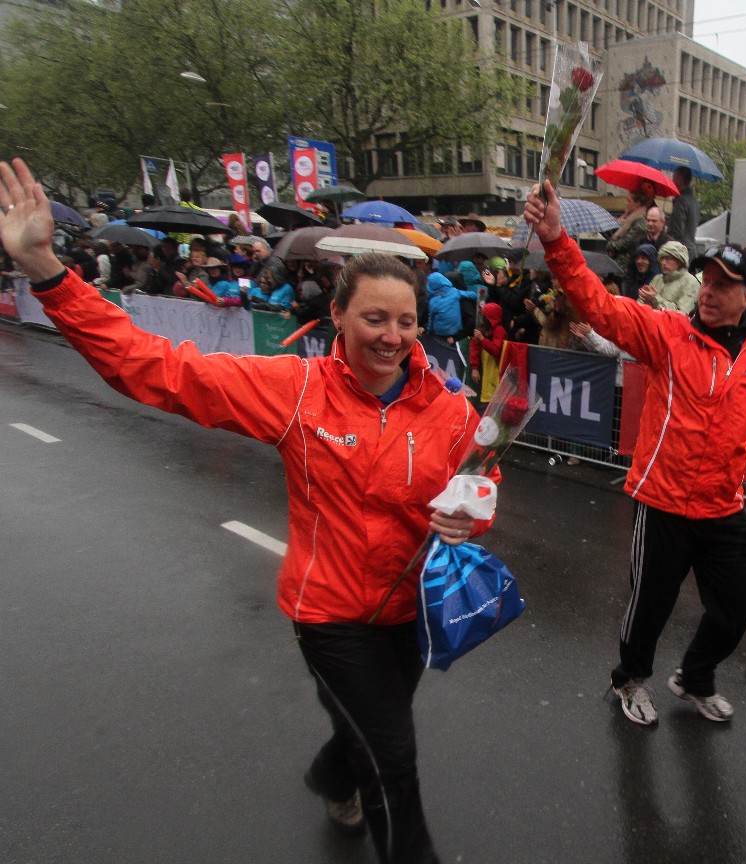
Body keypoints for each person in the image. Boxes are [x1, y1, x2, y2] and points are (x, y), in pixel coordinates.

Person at [0, 157, 498, 864]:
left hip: (412, 609)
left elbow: (481, 481)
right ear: (337, 316)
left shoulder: (446, 407)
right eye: (374, 318)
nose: (392, 336)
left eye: (405, 321)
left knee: (369, 728)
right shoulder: (296, 390)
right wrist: (48, 271)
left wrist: (471, 516)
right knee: (392, 757)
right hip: (331, 614)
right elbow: (156, 368)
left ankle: (333, 775)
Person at [524, 179, 746, 726]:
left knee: (736, 606)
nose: (710, 292)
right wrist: (555, 240)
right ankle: (630, 679)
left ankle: (694, 677)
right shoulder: (666, 333)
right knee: (650, 606)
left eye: (724, 285)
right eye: (707, 280)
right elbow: (598, 305)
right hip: (663, 501)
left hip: (723, 507)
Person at [639, 240, 700, 315]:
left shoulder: (690, 282)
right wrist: (645, 301)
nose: (663, 263)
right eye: (662, 259)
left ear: (680, 261)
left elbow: (681, 314)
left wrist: (655, 299)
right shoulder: (657, 279)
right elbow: (640, 305)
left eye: (668, 258)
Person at [666, 166, 700, 255]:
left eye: (674, 177)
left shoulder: (682, 201)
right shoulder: (694, 201)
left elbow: (675, 230)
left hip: (679, 251)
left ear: (680, 179)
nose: (672, 180)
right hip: (690, 249)